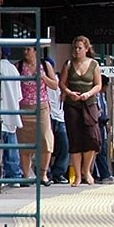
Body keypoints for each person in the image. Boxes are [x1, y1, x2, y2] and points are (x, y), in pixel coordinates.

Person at [59, 35, 102, 187]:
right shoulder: (69, 64)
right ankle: (77, 175)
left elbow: (98, 85)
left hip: (89, 104)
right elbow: (62, 83)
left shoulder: (94, 64)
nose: (77, 51)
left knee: (91, 138)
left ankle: (86, 170)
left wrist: (88, 94)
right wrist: (70, 93)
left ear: (86, 49)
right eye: (75, 48)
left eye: (80, 48)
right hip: (72, 105)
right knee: (75, 139)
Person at [16, 46, 57, 187]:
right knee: (25, 141)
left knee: (46, 138)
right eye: (24, 49)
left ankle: (43, 173)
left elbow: (55, 85)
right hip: (24, 107)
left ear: (35, 51)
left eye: (28, 49)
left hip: (42, 107)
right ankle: (26, 175)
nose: (25, 52)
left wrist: (44, 77)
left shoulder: (45, 65)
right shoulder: (19, 66)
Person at [0, 48, 24, 187]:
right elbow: (19, 95)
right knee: (12, 145)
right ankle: (15, 175)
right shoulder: (14, 69)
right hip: (12, 111)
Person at [46, 57, 70, 185]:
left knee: (64, 145)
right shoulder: (42, 79)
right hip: (48, 115)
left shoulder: (58, 79)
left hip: (59, 117)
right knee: (47, 146)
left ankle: (58, 172)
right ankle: (47, 172)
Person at [94, 75, 114, 183]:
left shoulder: (102, 96)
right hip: (97, 125)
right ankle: (103, 175)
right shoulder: (95, 95)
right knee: (99, 152)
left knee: (103, 151)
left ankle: (104, 174)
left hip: (103, 126)